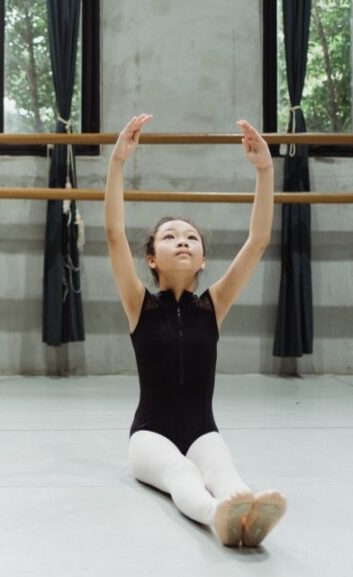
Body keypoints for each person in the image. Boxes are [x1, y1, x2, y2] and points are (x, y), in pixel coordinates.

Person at [104, 114, 286, 547]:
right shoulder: (139, 304)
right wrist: (117, 164)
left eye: (190, 237)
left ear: (203, 258)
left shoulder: (214, 305)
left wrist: (265, 170)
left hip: (202, 428)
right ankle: (216, 516)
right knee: (183, 475)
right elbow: (113, 235)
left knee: (225, 473)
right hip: (149, 436)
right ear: (151, 259)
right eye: (169, 237)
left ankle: (246, 513)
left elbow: (257, 240)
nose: (182, 241)